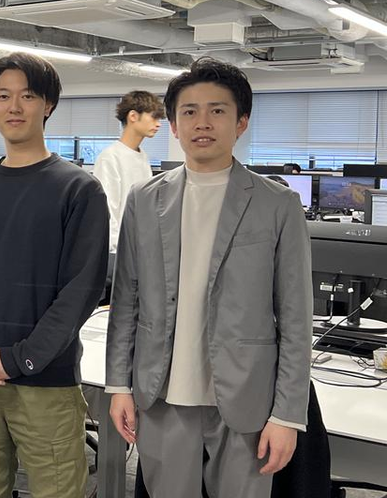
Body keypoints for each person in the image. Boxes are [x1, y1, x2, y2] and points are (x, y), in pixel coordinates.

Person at [106, 58, 312, 498]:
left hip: (247, 397)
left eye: (217, 110)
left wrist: (287, 415)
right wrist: (119, 385)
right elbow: (126, 302)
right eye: (189, 111)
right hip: (162, 392)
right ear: (174, 125)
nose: (202, 122)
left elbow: (296, 318)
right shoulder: (144, 200)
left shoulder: (278, 204)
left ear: (241, 123)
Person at [0, 52, 108, 497]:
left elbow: (81, 290)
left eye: (28, 96)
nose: (14, 107)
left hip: (44, 381)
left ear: (48, 105)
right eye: (3, 96)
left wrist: (22, 358)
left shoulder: (78, 189)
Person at [93, 90, 166, 255]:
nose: (158, 124)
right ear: (133, 116)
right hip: (118, 250)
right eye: (153, 117)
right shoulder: (110, 157)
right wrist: (115, 249)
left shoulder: (142, 156)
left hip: (140, 245)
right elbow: (107, 211)